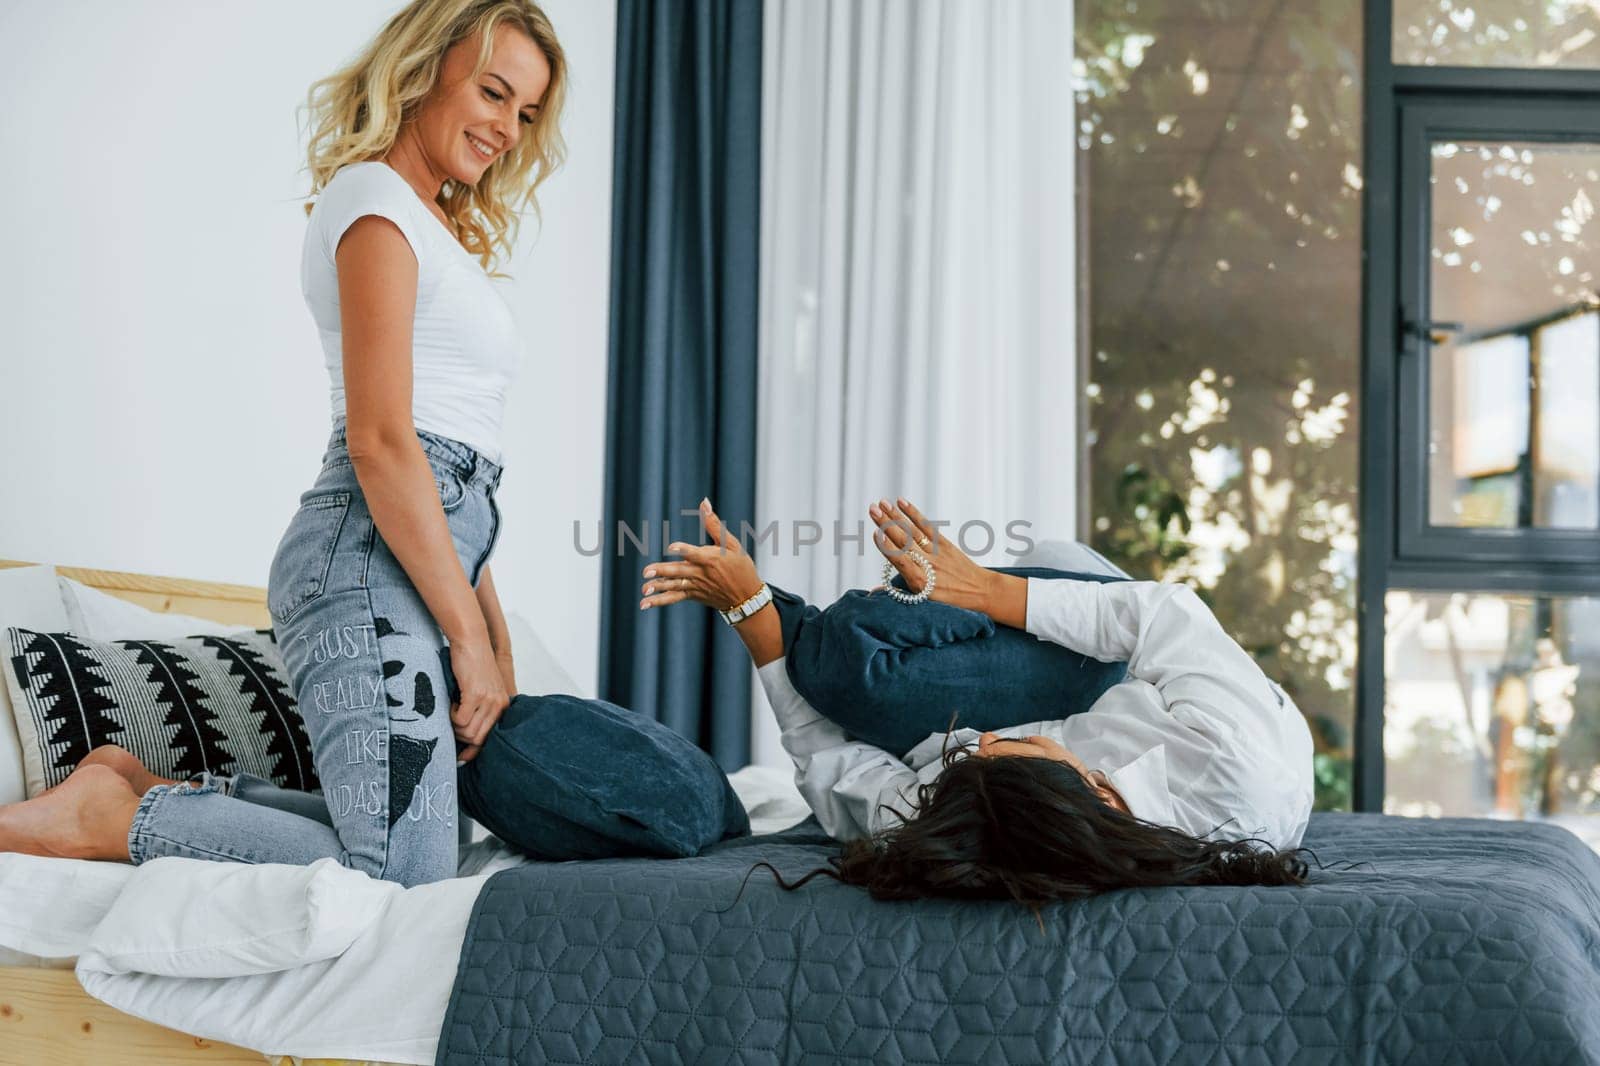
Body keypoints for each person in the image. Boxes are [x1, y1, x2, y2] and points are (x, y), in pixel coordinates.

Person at [0, 0, 568, 887]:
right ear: (425, 68)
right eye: (494, 92)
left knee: (425, 857)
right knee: (401, 879)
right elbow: (385, 444)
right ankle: (118, 816)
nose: (506, 127)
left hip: (419, 553)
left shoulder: (431, 223)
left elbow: (455, 467)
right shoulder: (375, 201)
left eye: (525, 113)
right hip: (365, 559)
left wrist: (491, 634)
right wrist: (464, 633)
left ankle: (136, 787)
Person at [639, 497, 1316, 902]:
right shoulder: (1237, 759)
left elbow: (842, 782)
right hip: (1116, 662)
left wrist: (753, 618)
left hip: (1076, 717)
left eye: (974, 756)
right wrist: (981, 589)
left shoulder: (982, 828)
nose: (976, 740)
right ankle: (976, 595)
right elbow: (1166, 617)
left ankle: (799, 615)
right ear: (1099, 791)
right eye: (1005, 748)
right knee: (854, 669)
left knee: (849, 682)